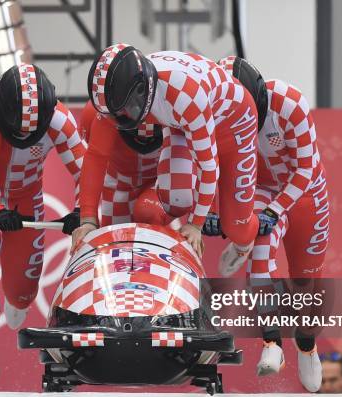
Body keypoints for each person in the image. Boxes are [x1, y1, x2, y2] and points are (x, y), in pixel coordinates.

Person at [0, 63, 84, 390]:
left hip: (26, 203)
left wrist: (83, 212)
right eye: (17, 131)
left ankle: (17, 301)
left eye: (32, 133)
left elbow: (87, 171)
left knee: (22, 296)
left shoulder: (60, 121)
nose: (24, 138)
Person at [207, 56, 331, 392]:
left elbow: (304, 168)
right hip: (261, 191)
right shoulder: (217, 120)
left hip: (304, 195)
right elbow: (215, 170)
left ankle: (306, 344)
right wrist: (212, 212)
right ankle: (272, 342)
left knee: (306, 285)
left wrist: (276, 210)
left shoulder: (290, 104)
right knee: (261, 258)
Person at [76, 44, 260, 259]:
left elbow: (208, 166)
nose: (118, 121)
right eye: (111, 114)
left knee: (235, 225)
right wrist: (87, 219)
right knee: (164, 203)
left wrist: (195, 225)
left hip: (234, 124)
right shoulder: (111, 102)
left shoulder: (184, 97)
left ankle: (245, 243)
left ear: (142, 91)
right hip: (182, 124)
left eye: (124, 111)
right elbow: (96, 157)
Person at [70, 101, 173, 250]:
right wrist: (88, 220)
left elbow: (198, 155)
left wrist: (198, 221)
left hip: (159, 182)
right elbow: (95, 159)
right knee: (114, 247)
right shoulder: (100, 112)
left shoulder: (174, 106)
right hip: (118, 183)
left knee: (148, 211)